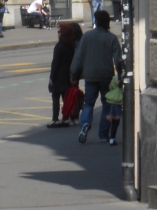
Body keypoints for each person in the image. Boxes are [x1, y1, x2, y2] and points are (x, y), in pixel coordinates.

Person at [70, 9, 123, 144]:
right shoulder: (111, 38)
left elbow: (78, 57)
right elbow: (118, 59)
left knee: (89, 103)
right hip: (106, 76)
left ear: (96, 21)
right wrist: (120, 75)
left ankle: (85, 124)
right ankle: (103, 134)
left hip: (90, 75)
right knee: (106, 105)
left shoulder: (87, 36)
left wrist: (74, 74)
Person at [47, 23, 76, 127]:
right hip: (67, 76)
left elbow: (55, 63)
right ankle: (66, 117)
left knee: (55, 97)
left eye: (59, 32)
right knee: (65, 98)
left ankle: (55, 118)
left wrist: (51, 78)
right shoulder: (71, 46)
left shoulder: (59, 46)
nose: (58, 34)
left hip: (58, 76)